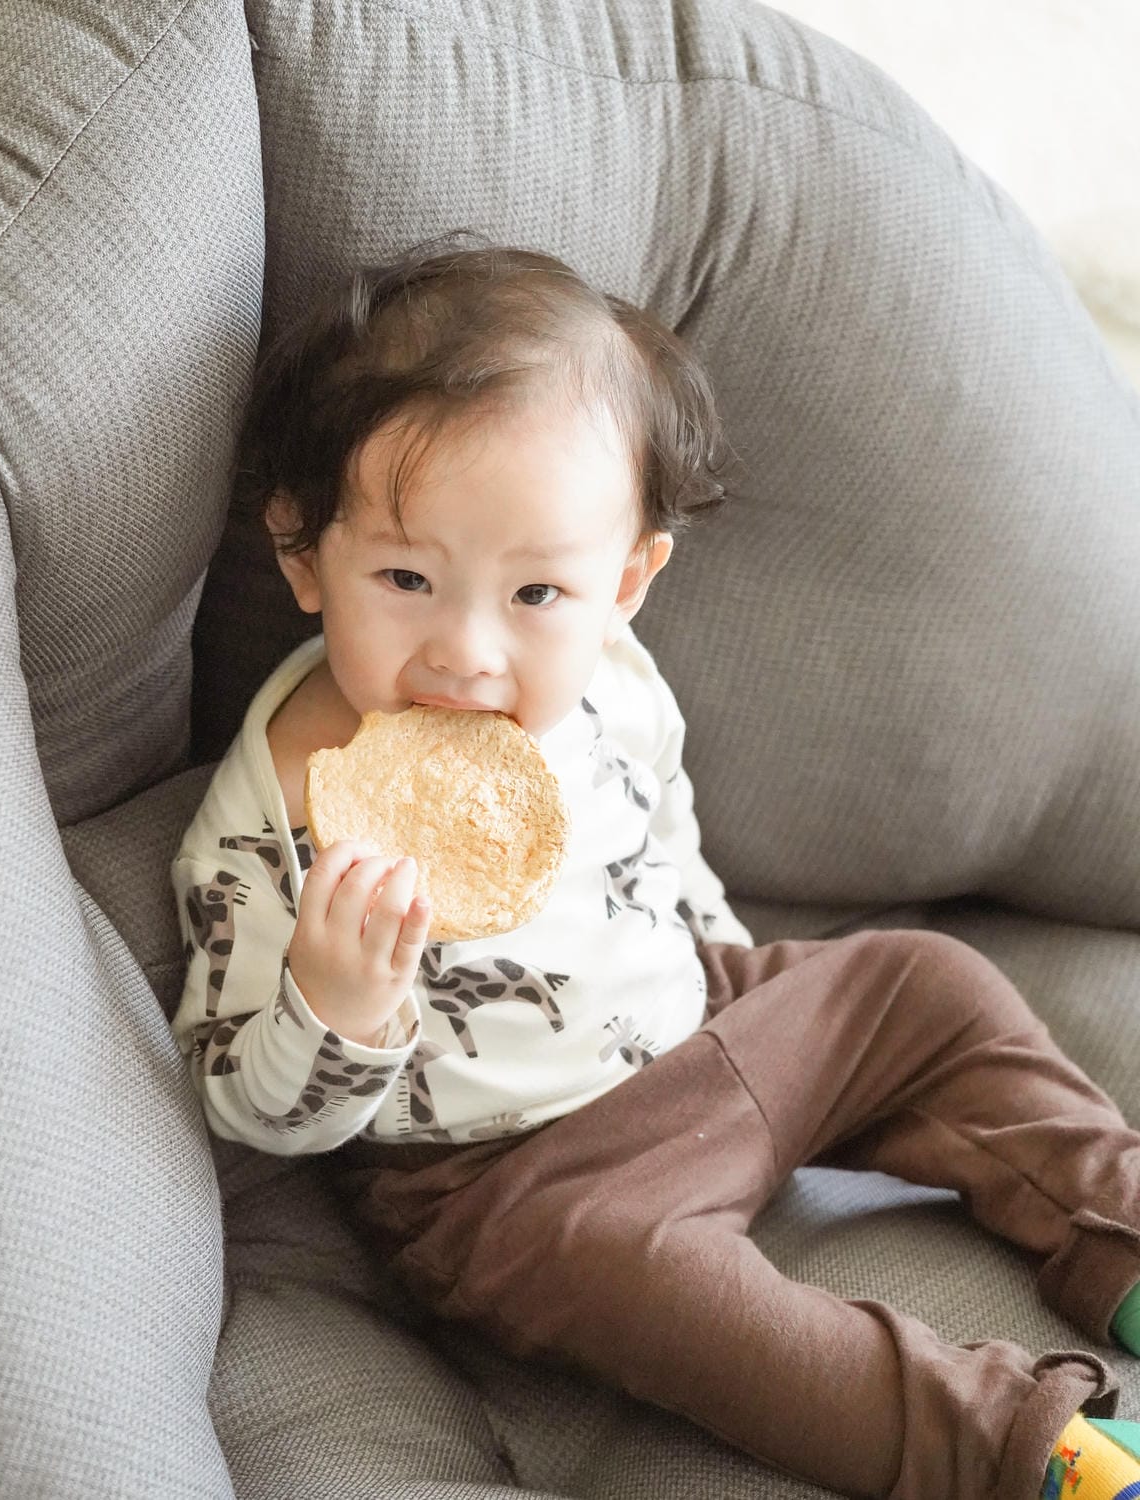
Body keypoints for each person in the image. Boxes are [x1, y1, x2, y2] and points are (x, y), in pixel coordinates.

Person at [172, 237, 1140, 1500]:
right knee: (686, 1307)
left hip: (711, 1014)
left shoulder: (614, 678)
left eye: (536, 594)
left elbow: (658, 827)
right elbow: (242, 1099)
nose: (466, 654)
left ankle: (1114, 1231)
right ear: (305, 557)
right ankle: (1015, 1445)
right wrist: (333, 1005)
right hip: (512, 1181)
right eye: (406, 578)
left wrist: (725, 958)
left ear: (626, 584)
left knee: (928, 983)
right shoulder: (265, 827)